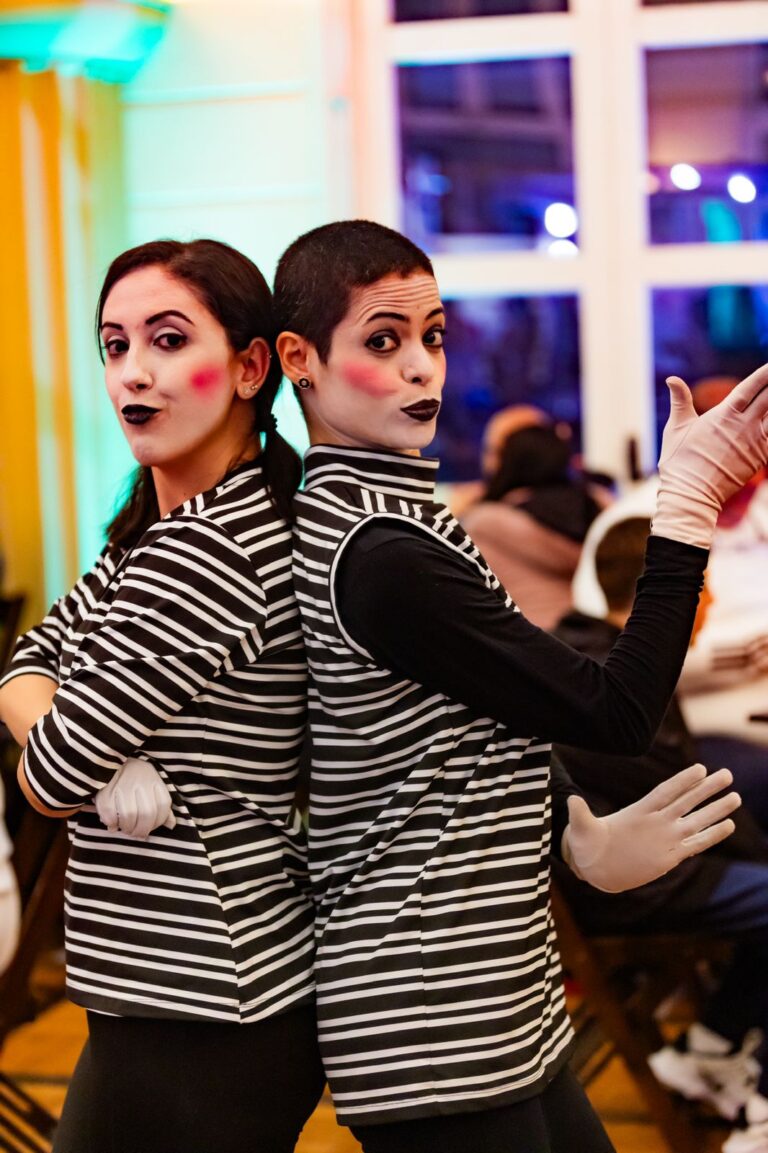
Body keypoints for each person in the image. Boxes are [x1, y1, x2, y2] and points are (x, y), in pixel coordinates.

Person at [272, 218, 766, 1153]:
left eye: (433, 336)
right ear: (300, 358)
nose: (421, 366)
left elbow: (476, 716)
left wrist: (574, 829)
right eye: (383, 340)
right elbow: (614, 710)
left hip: (498, 988)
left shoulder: (399, 515)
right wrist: (688, 507)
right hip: (431, 1009)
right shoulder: (378, 551)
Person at [0, 239, 325, 1153]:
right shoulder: (158, 535)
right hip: (180, 983)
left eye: (168, 340)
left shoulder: (209, 551)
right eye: (115, 346)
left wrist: (70, 746)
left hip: (205, 993)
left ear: (252, 367)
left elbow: (49, 778)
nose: (132, 373)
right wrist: (91, 747)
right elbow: (25, 660)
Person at [553, 512, 768, 1153]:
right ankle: (760, 1114)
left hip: (647, 866)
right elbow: (695, 802)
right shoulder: (615, 680)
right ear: (667, 593)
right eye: (704, 589)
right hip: (637, 884)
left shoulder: (582, 650)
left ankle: (710, 1047)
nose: (714, 604)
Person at [461, 422, 601, 627]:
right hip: (595, 634)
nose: (489, 461)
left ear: (510, 462)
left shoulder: (482, 524)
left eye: (495, 452)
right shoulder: (596, 513)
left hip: (521, 638)